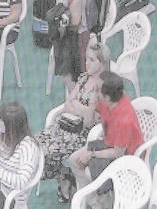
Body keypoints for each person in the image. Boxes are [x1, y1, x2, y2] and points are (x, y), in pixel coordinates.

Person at [36, 37, 110, 184]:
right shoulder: (83, 78)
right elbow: (67, 105)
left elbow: (90, 121)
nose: (87, 63)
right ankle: (64, 176)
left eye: (92, 60)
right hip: (65, 125)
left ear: (102, 64)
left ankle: (65, 178)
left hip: (82, 134)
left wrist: (77, 106)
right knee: (35, 145)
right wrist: (82, 109)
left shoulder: (105, 88)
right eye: (86, 59)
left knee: (47, 151)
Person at [67, 73, 144, 191]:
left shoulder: (123, 120)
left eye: (97, 90)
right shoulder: (110, 100)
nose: (94, 91)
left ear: (107, 97)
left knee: (81, 162)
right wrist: (90, 104)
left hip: (126, 156)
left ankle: (103, 201)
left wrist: (92, 154)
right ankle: (96, 203)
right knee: (74, 160)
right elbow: (89, 118)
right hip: (109, 143)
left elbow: (118, 153)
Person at [50, 0, 94, 94]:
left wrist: (59, 17)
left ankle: (77, 99)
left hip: (77, 38)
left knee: (68, 73)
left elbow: (75, 21)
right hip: (65, 36)